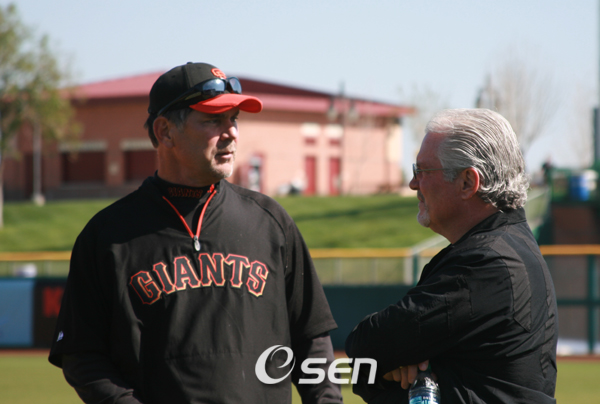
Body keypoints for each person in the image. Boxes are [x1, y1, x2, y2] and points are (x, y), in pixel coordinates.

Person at [49, 62, 343, 404]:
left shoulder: (270, 222)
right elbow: (82, 356)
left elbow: (312, 340)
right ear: (165, 132)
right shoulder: (108, 235)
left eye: (234, 119)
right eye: (213, 120)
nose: (231, 132)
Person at [345, 108, 558, 403]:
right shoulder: (508, 246)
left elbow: (366, 346)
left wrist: (409, 368)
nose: (413, 183)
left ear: (468, 182)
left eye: (422, 171)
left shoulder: (487, 263)